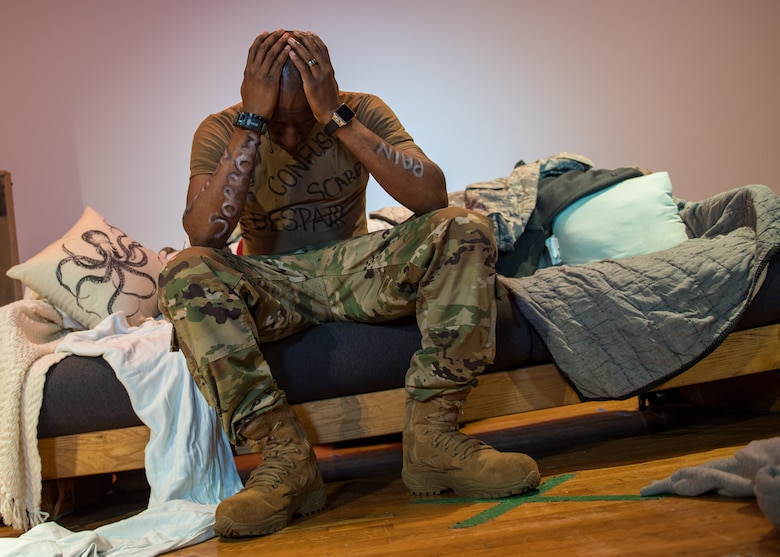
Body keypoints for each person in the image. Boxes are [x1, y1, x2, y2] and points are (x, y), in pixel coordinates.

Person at [158, 29, 540, 539]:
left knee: (465, 226)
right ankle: (284, 460)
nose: (291, 137)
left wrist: (335, 116)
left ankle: (435, 439)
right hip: (273, 280)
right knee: (185, 268)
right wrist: (252, 121)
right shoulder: (221, 127)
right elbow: (205, 233)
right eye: (279, 121)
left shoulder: (361, 109)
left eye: (301, 121)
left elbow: (431, 196)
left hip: (358, 269)